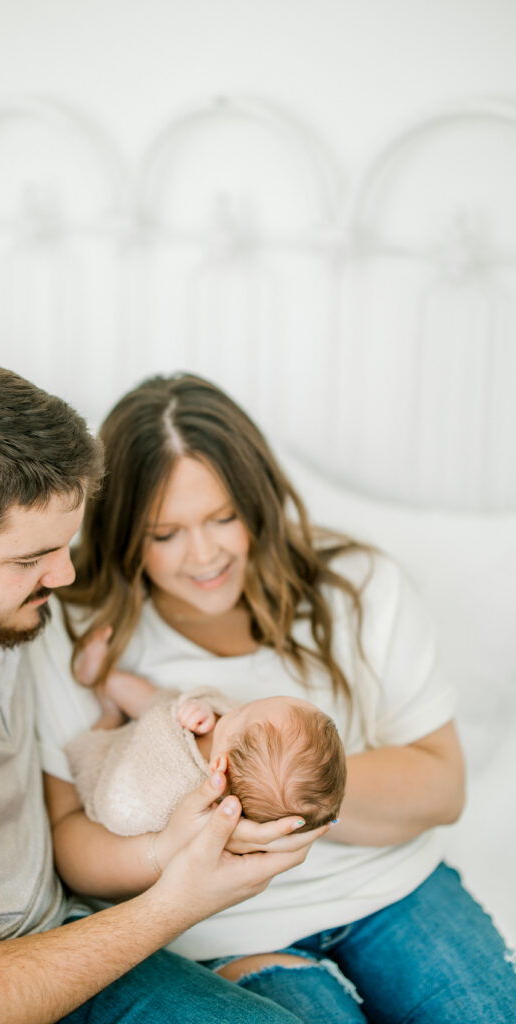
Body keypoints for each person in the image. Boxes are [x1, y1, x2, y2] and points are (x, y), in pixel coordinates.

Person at [0, 357, 329, 1024]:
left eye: (65, 544)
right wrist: (177, 901)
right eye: (30, 559)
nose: (65, 577)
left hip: (64, 922)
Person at [30, 372, 516, 1024]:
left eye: (223, 518)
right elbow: (68, 841)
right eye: (164, 534)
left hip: (392, 890)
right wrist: (169, 850)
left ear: (258, 502)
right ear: (121, 532)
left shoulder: (358, 588)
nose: (203, 556)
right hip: (228, 929)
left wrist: (287, 791)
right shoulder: (75, 632)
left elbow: (442, 788)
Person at [65, 627, 345, 835]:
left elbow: (123, 810)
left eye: (242, 712)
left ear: (219, 765)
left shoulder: (183, 792)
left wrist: (173, 718)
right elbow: (203, 714)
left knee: (104, 741)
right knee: (156, 699)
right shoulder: (233, 749)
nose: (237, 706)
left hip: (115, 766)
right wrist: (202, 711)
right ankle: (101, 676)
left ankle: (109, 714)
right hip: (159, 729)